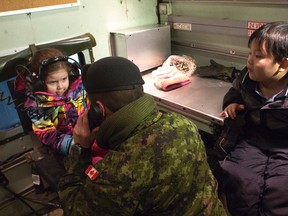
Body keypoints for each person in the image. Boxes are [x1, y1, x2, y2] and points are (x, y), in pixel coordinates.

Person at [57, 56, 227, 215]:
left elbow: (73, 207)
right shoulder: (183, 124)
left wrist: (80, 147)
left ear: (98, 110)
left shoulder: (119, 171)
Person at [218, 21, 288, 215]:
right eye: (250, 53)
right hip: (253, 139)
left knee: (280, 189)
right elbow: (235, 91)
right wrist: (231, 103)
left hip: (284, 145)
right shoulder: (247, 79)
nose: (249, 60)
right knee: (238, 178)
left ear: (283, 65)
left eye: (258, 56)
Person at [14, 48, 108, 164]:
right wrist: (78, 145)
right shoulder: (35, 106)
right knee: (97, 164)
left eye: (64, 79)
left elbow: (90, 108)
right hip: (67, 149)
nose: (60, 86)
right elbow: (49, 136)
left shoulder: (78, 88)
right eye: (53, 82)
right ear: (39, 82)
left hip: (91, 136)